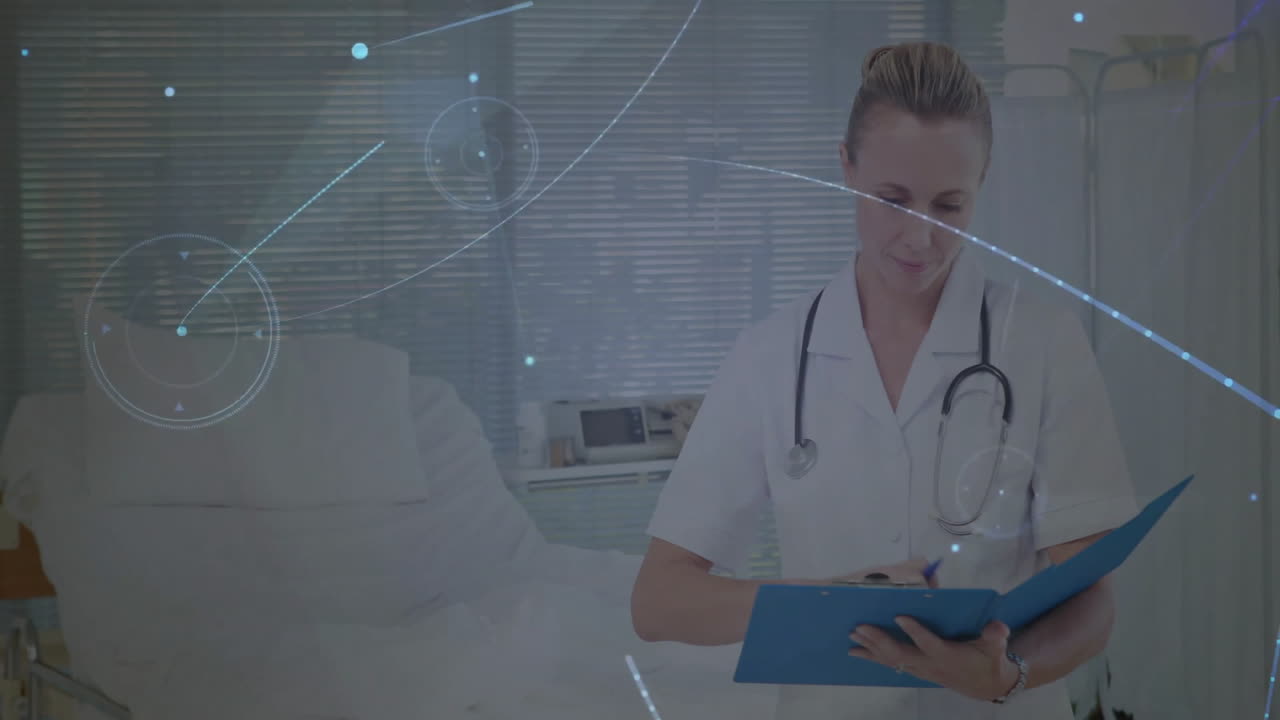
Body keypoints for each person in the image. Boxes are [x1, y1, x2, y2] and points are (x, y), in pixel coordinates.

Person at [630, 41, 1140, 719]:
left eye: (949, 205)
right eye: (892, 199)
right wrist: (828, 600)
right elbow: (660, 601)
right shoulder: (770, 356)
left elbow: (1092, 599)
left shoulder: (1042, 342)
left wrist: (1006, 672)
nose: (919, 237)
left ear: (983, 180)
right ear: (845, 168)